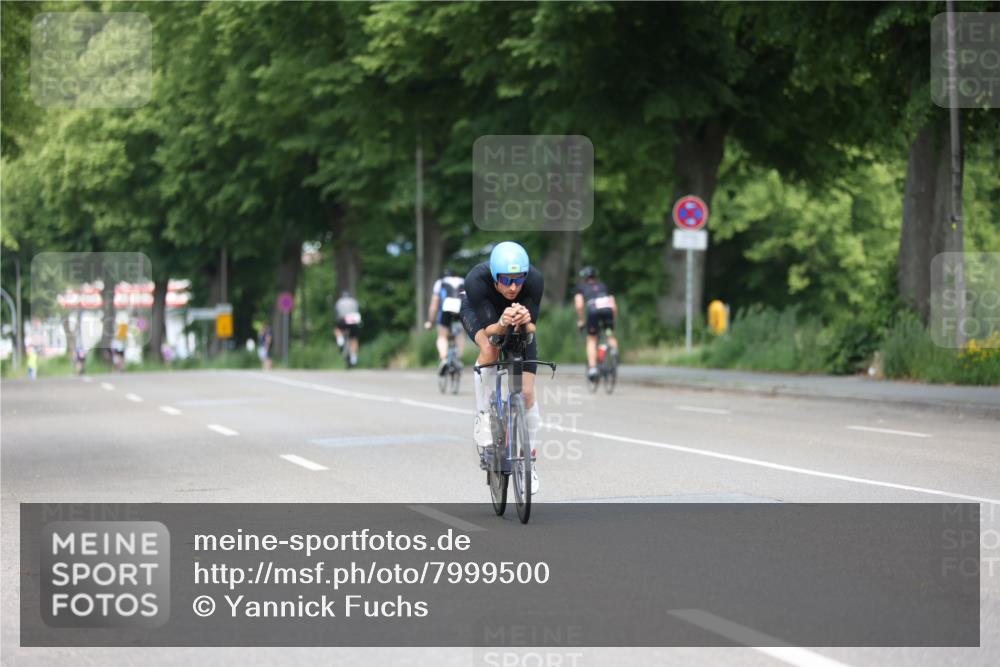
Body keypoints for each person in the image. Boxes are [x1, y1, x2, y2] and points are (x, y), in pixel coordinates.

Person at [460, 241, 542, 494]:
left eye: (519, 280)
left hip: (515, 320)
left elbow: (531, 329)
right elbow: (491, 330)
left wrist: (525, 321)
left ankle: (529, 461)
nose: (514, 287)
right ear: (495, 276)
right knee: (490, 349)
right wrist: (504, 320)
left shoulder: (535, 281)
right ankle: (484, 414)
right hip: (482, 315)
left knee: (527, 394)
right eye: (506, 280)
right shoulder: (476, 279)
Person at [574, 265, 619, 382]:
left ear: (584, 278)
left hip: (593, 311)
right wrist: (612, 320)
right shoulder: (603, 286)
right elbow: (613, 305)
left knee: (592, 339)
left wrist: (582, 320)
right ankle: (614, 350)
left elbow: (579, 306)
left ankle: (593, 368)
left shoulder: (581, 287)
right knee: (609, 334)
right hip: (607, 310)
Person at [424, 267, 466, 374]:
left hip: (446, 308)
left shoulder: (440, 282)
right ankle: (458, 359)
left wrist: (430, 321)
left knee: (442, 336)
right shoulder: (462, 281)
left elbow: (434, 305)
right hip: (459, 309)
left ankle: (444, 359)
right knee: (460, 334)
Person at [334, 290, 362, 368]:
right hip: (353, 321)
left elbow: (337, 312)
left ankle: (340, 340)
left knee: (337, 329)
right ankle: (354, 357)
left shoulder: (339, 302)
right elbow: (357, 311)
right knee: (354, 339)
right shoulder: (354, 301)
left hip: (343, 320)